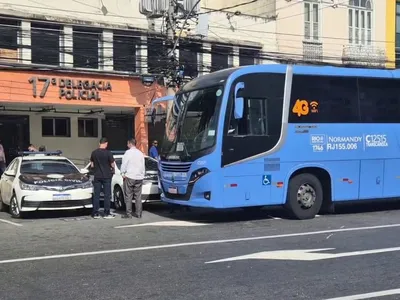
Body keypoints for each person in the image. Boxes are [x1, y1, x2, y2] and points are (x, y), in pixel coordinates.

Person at [90, 137, 115, 219]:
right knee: (107, 195)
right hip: (107, 176)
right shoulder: (108, 153)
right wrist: (112, 169)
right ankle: (106, 213)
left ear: (99, 144)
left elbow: (92, 165)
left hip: (97, 176)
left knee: (96, 195)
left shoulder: (94, 153)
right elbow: (112, 164)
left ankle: (95, 213)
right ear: (106, 144)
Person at [121, 138, 145, 219]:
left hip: (130, 176)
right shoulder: (140, 153)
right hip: (139, 177)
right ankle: (139, 213)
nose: (127, 145)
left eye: (127, 143)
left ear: (130, 144)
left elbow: (124, 164)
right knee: (138, 196)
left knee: (128, 196)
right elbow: (143, 165)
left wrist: (122, 173)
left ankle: (129, 214)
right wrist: (142, 175)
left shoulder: (128, 153)